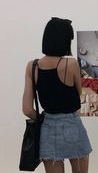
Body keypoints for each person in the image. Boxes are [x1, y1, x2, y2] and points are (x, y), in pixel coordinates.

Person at [22, 17, 92, 173]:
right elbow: (78, 92)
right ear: (65, 41)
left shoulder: (31, 67)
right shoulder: (71, 64)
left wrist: (45, 119)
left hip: (47, 130)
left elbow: (27, 109)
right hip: (72, 127)